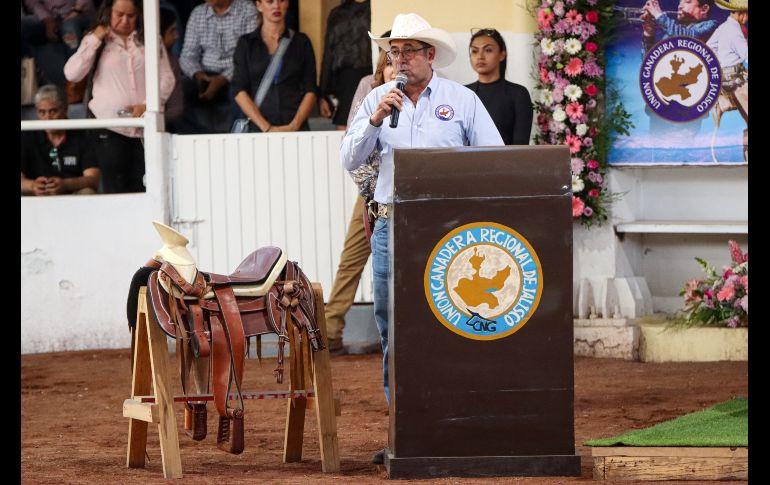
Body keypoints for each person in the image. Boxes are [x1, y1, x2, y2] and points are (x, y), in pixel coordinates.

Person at [340, 12, 503, 464]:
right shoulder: (377, 98)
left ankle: (456, 423)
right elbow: (349, 158)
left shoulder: (461, 100)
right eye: (393, 51)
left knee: (452, 321)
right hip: (393, 224)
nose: (400, 59)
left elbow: (493, 157)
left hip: (449, 228)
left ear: (430, 55)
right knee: (393, 325)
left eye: (409, 50)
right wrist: (373, 119)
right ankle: (403, 428)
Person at [324, 40, 395, 356]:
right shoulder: (369, 87)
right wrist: (371, 192)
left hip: (409, 192)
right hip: (371, 188)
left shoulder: (425, 94)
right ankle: (331, 328)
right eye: (391, 57)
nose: (398, 63)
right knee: (352, 256)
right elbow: (351, 139)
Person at [63, 0, 176, 193]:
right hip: (109, 126)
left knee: (147, 186)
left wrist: (148, 105)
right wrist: (94, 39)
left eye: (131, 16)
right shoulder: (95, 39)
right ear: (108, 12)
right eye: (119, 14)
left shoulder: (149, 38)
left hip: (144, 124)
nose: (124, 20)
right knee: (114, 187)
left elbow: (167, 78)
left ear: (139, 15)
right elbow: (72, 73)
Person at [231, 0, 317, 133]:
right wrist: (266, 127)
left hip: (296, 125)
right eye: (270, 1)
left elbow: (310, 89)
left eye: (281, 0)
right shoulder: (246, 44)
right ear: (259, 5)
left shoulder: (301, 42)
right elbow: (238, 90)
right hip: (258, 126)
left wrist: (294, 126)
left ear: (287, 3)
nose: (276, 6)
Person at [178, 0, 258, 134]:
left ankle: (235, 137)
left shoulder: (247, 10)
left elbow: (249, 54)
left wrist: (222, 79)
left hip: (237, 73)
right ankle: (198, 138)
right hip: (204, 74)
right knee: (177, 91)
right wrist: (197, 74)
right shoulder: (198, 13)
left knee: (241, 90)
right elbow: (187, 55)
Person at [21, 84, 100, 196]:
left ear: (65, 110)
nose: (47, 118)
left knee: (88, 193)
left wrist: (65, 184)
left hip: (71, 194)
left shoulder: (82, 135)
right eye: (42, 112)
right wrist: (33, 185)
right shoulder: (27, 135)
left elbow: (93, 178)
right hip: (36, 196)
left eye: (53, 111)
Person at [465, 28, 532, 145]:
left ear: (502, 55)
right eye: (475, 51)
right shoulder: (463, 93)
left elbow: (520, 146)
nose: (480, 56)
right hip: (467, 162)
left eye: (488, 50)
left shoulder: (518, 94)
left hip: (507, 162)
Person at [318, 0, 372, 130]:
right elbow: (328, 54)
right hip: (344, 80)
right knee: (345, 126)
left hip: (372, 74)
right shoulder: (337, 13)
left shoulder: (378, 7)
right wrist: (322, 94)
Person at [707, 0, 748, 161]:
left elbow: (708, 48)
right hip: (738, 82)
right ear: (741, 13)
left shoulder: (723, 27)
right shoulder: (734, 31)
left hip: (728, 79)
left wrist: (721, 66)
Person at [21, 0, 95, 88]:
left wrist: (76, 10)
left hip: (79, 11)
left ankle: (75, 82)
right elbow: (32, 2)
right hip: (49, 14)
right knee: (23, 26)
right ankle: (33, 74)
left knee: (69, 30)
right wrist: (47, 19)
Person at [641, 0, 718, 53]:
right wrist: (649, 33)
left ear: (704, 9)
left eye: (687, 1)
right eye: (680, 2)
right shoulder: (674, 30)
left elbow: (689, 38)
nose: (680, 6)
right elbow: (651, 59)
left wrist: (658, 15)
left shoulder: (712, 24)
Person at [160, 6, 184, 132]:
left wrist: (153, 120)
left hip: (163, 128)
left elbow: (176, 109)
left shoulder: (172, 62)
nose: (177, 35)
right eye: (172, 31)